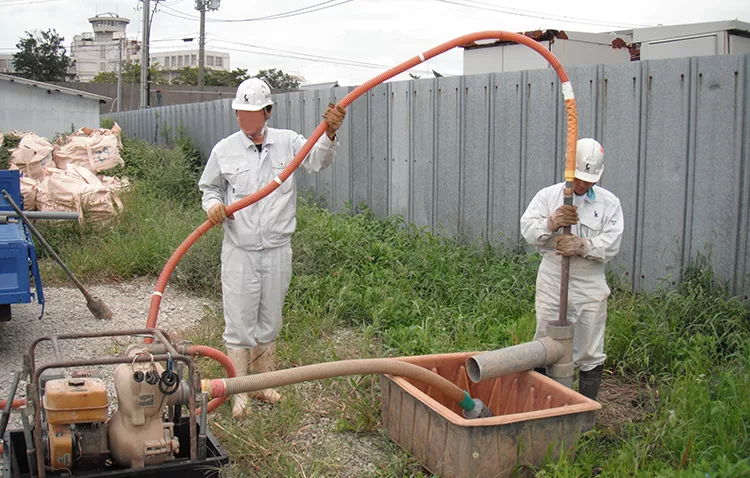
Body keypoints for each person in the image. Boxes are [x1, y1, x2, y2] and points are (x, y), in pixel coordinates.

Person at [199, 78, 347, 417]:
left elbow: (317, 161)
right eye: (241, 114)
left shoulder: (288, 142)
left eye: (253, 113)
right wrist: (213, 206)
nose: (246, 120)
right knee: (238, 322)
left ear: (267, 112)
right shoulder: (225, 150)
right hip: (241, 250)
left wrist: (330, 133)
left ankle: (264, 384)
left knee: (270, 320)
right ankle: (239, 393)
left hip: (278, 249)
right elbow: (210, 188)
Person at [520, 138, 624, 400]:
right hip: (554, 277)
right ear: (569, 168)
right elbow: (527, 231)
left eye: (590, 179)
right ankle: (541, 404)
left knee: (590, 347)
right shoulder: (548, 196)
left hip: (590, 281)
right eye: (579, 177)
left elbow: (612, 245)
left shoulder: (609, 204)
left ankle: (585, 414)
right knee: (545, 339)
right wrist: (551, 222)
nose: (583, 184)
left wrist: (583, 245)